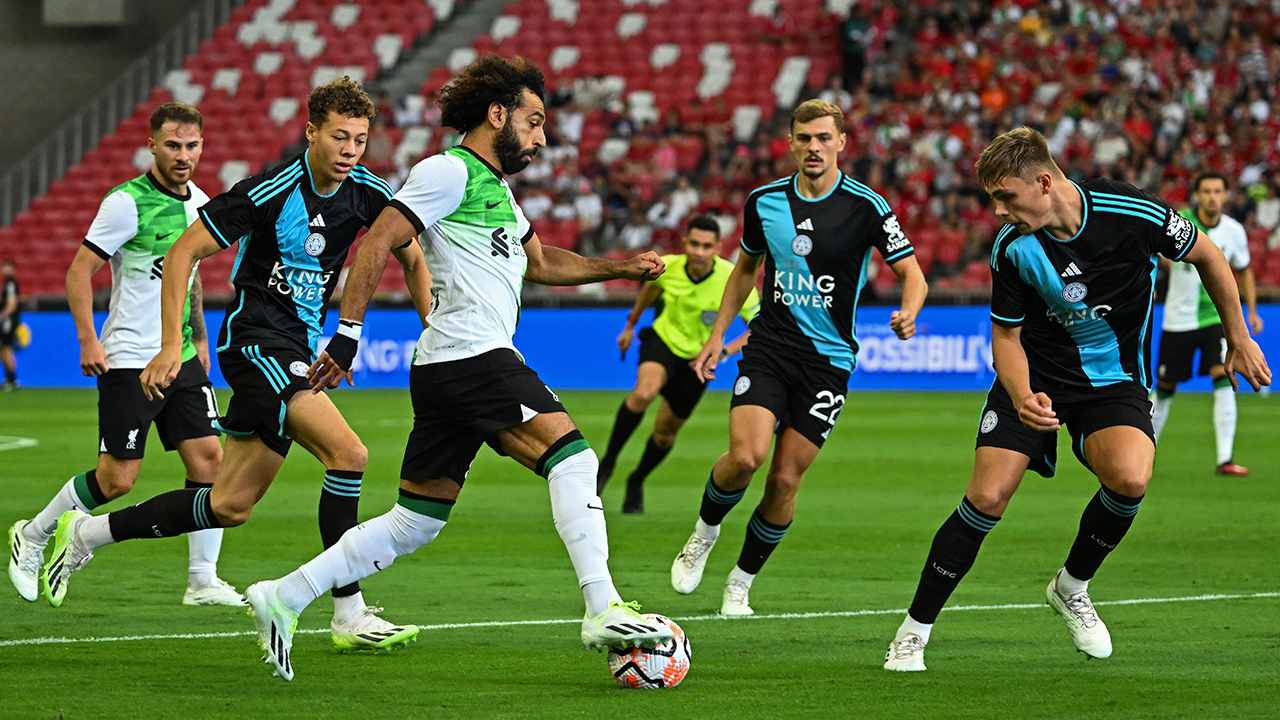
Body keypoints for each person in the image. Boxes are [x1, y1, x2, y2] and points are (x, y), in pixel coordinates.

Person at [241, 54, 673, 681]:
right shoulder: (448, 170)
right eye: (534, 121)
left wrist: (620, 267)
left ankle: (283, 595)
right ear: (497, 115)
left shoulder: (495, 189)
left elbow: (543, 261)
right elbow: (378, 239)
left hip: (452, 363)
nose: (542, 137)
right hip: (473, 355)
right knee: (575, 459)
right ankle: (601, 606)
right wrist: (348, 335)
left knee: (415, 522)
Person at [40, 78, 431, 655]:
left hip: (298, 348)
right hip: (254, 343)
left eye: (360, 140)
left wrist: (435, 329)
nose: (350, 150)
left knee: (229, 505)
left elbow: (413, 258)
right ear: (311, 132)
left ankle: (87, 532)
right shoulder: (270, 189)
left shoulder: (368, 193)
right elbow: (182, 253)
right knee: (349, 455)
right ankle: (347, 611)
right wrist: (172, 346)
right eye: (340, 137)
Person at [884, 127, 1271, 672]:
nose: (997, 211)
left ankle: (1072, 585)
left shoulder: (1134, 210)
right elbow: (1006, 337)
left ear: (1044, 181)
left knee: (1132, 478)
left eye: (1006, 197)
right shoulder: (1013, 247)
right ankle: (913, 631)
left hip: (1112, 381)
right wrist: (1020, 396)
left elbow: (1209, 257)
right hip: (1036, 378)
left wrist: (1239, 337)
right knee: (988, 497)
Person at [669, 99, 928, 617]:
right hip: (769, 348)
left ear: (841, 143)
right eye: (805, 138)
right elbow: (744, 271)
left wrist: (909, 312)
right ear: (790, 142)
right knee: (746, 456)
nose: (814, 147)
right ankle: (703, 534)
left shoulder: (868, 206)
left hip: (828, 362)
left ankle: (740, 582)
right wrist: (718, 337)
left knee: (785, 479)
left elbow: (913, 275)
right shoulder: (763, 201)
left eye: (823, 138)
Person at [6, 103, 243, 607]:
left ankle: (202, 579)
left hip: (177, 355)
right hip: (129, 358)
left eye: (192, 146)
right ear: (152, 145)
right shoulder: (126, 203)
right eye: (173, 145)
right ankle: (34, 534)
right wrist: (87, 338)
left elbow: (191, 276)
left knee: (211, 461)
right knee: (117, 479)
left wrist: (197, 335)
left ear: (203, 146)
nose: (183, 156)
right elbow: (78, 272)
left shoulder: (201, 202)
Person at [596, 214, 760, 514]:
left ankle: (636, 480)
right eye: (694, 244)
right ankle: (607, 464)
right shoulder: (668, 266)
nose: (699, 251)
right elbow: (650, 290)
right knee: (644, 392)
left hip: (698, 361)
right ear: (684, 242)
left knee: (664, 434)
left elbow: (759, 327)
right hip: (663, 342)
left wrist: (722, 352)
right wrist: (631, 324)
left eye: (706, 246)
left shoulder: (733, 277)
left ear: (718, 247)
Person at [1151, 171, 1263, 476]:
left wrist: (1251, 312)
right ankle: (1144, 450)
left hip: (1217, 318)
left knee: (1224, 376)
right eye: (1206, 191)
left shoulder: (1233, 231)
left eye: (1218, 191)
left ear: (1226, 195)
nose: (1213, 197)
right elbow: (1149, 251)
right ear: (1197, 195)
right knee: (1163, 389)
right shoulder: (1178, 223)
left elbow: (1246, 270)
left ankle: (1225, 459)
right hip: (1178, 319)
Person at [0, 259, 19, 390]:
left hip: (8, 321)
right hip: (8, 320)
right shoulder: (7, 284)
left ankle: (12, 378)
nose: (6, 270)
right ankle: (9, 377)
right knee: (3, 347)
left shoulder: (11, 284)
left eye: (8, 267)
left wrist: (2, 316)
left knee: (6, 347)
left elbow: (12, 303)